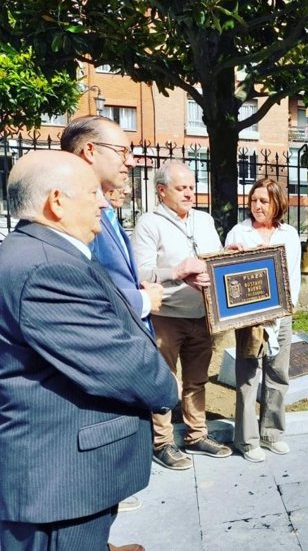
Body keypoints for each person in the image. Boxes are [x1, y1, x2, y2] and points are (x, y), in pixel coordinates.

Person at [0, 151, 178, 551]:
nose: (104, 201)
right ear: (57, 201)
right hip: (58, 488)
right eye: (93, 192)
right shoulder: (47, 269)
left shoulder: (40, 253)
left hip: (59, 479)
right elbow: (134, 371)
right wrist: (165, 383)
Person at [133, 162, 231, 470]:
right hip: (166, 316)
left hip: (202, 314)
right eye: (182, 188)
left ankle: (196, 434)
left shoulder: (203, 219)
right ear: (162, 191)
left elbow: (212, 261)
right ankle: (161, 443)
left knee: (196, 380)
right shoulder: (148, 223)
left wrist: (231, 255)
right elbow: (140, 272)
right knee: (163, 381)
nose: (190, 193)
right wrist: (177, 273)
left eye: (191, 186)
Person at [225, 178, 301, 463]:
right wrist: (229, 255)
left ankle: (272, 433)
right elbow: (228, 276)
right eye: (254, 200)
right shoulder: (239, 232)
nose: (257, 206)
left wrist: (287, 307)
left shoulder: (290, 234)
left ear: (276, 204)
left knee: (278, 375)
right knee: (247, 376)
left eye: (264, 201)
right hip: (251, 319)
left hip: (282, 316)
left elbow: (294, 274)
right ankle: (247, 440)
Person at [61, 115, 164, 324]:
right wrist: (142, 299)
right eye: (122, 151)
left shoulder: (103, 209)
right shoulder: (70, 213)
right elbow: (74, 295)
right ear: (90, 151)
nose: (131, 161)